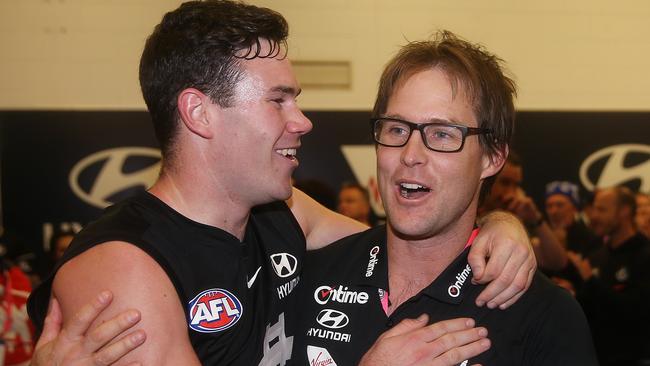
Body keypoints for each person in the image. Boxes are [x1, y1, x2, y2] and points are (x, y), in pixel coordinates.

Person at [27, 2, 536, 365]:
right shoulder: (123, 271)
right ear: (199, 113)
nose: (303, 121)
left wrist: (496, 222)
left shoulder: (279, 212)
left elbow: (407, 240)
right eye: (279, 100)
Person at [295, 31, 597, 366]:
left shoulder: (543, 315)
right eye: (396, 129)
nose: (411, 155)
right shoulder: (307, 275)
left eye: (441, 134)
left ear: (493, 157)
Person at [569, 186, 650, 365]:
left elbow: (635, 312)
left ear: (624, 211)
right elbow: (589, 311)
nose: (594, 216)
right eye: (594, 209)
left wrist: (591, 282)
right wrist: (570, 294)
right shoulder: (597, 256)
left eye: (602, 209)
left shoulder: (644, 255)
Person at [481, 153, 568, 271]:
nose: (511, 193)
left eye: (516, 185)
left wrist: (535, 218)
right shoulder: (465, 218)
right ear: (486, 179)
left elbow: (557, 262)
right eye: (505, 183)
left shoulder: (512, 223)